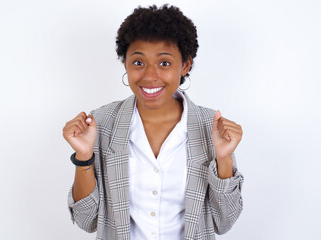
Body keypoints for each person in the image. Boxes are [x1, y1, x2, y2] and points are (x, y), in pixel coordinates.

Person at [62, 4, 244, 240]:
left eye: (164, 63)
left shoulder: (212, 127)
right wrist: (84, 158)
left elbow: (224, 222)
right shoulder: (101, 123)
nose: (149, 76)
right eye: (138, 62)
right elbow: (87, 221)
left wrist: (224, 160)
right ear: (126, 63)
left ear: (185, 65)